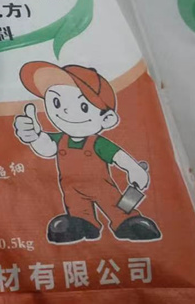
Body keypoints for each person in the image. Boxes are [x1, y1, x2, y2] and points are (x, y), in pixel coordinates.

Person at [14, 61, 161, 243]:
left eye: (83, 106)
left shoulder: (98, 143)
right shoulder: (60, 140)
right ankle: (82, 223)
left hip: (101, 186)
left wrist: (134, 169)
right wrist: (35, 136)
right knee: (77, 208)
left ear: (106, 119)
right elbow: (47, 149)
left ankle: (127, 222)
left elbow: (118, 156)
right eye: (56, 102)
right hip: (72, 188)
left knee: (116, 206)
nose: (65, 110)